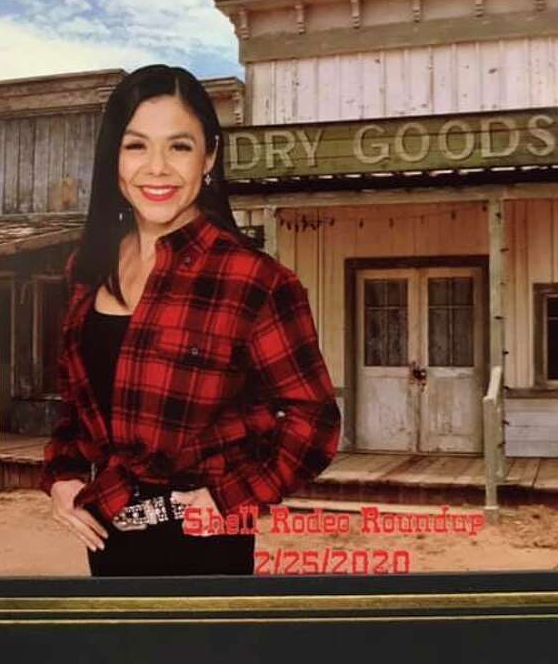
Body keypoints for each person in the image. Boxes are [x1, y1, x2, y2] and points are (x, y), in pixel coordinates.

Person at [40, 63, 341, 577]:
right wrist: (63, 474)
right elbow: (78, 401)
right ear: (113, 158)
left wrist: (233, 495)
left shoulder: (255, 280)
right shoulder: (87, 268)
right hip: (107, 529)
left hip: (205, 539)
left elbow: (315, 422)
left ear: (209, 158)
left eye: (179, 146)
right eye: (136, 146)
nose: (156, 168)